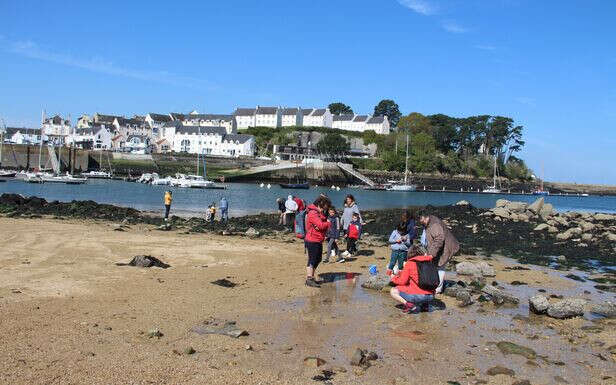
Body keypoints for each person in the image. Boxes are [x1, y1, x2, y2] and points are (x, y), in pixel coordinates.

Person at [418, 210, 460, 294]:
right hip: (440, 248)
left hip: (447, 247)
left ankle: (437, 289)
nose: (420, 221)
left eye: (421, 219)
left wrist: (431, 254)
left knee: (440, 267)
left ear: (426, 217)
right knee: (435, 266)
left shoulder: (434, 224)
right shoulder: (428, 222)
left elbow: (439, 239)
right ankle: (434, 285)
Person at [390, 245, 436, 313]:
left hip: (417, 297)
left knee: (393, 290)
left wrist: (393, 277)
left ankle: (409, 305)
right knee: (421, 284)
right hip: (431, 296)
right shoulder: (430, 262)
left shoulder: (410, 263)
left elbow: (402, 281)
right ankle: (425, 305)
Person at [304, 195, 332, 288]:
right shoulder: (313, 213)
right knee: (312, 259)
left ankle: (311, 277)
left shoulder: (319, 213)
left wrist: (325, 221)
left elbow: (320, 224)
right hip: (312, 240)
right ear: (321, 204)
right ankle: (309, 279)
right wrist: (328, 223)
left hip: (318, 239)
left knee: (318, 259)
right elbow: (320, 225)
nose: (327, 208)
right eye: (326, 205)